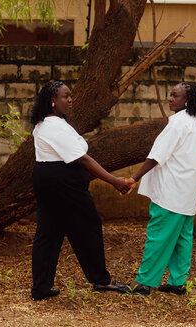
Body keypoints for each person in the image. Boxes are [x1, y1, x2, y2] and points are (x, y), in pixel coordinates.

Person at [30, 81, 130, 301]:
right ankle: (101, 281)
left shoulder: (48, 123)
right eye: (66, 96)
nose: (70, 100)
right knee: (88, 225)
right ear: (52, 101)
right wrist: (114, 181)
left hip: (50, 180)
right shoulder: (54, 126)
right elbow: (82, 158)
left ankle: (41, 288)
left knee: (49, 233)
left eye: (71, 96)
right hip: (62, 184)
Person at [123, 82, 196, 295]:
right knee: (182, 238)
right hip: (187, 192)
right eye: (170, 95)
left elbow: (156, 156)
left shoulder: (178, 124)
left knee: (158, 235)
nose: (170, 99)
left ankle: (144, 282)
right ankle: (178, 282)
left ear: (187, 100)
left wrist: (134, 178)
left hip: (171, 191)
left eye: (175, 96)